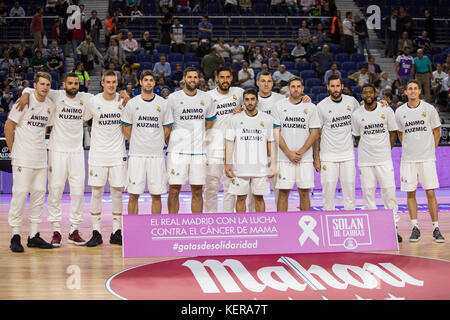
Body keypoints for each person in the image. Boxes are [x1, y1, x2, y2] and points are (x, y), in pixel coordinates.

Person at [16, 73, 113, 247]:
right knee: (56, 190)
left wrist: (123, 95)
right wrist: (25, 93)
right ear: (64, 84)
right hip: (57, 151)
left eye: (76, 83)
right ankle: (56, 230)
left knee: (77, 192)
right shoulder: (56, 95)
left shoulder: (86, 98)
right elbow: (34, 88)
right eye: (70, 83)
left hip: (76, 152)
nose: (73, 85)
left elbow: (106, 95)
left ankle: (74, 230)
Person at [4, 72, 54, 252]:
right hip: (22, 158)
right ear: (35, 85)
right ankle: (15, 235)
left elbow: (47, 127)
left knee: (39, 195)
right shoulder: (23, 102)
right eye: (42, 84)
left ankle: (33, 235)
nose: (45, 87)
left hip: (40, 158)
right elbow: (9, 127)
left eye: (48, 84)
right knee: (19, 195)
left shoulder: (49, 105)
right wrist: (14, 152)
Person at [395, 80, 445, 243]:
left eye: (415, 88)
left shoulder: (429, 109)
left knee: (430, 192)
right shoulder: (400, 111)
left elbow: (436, 131)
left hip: (426, 158)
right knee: (411, 193)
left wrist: (431, 150)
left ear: (419, 91)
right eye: (410, 89)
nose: (413, 91)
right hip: (408, 159)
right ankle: (415, 227)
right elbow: (400, 134)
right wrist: (410, 148)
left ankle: (436, 228)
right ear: (406, 92)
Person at [83, 70, 129, 247]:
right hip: (98, 155)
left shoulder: (123, 101)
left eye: (114, 82)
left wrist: (128, 97)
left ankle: (116, 232)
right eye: (108, 82)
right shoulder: (93, 102)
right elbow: (84, 119)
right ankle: (96, 232)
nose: (111, 85)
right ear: (102, 83)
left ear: (117, 83)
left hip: (118, 154)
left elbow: (134, 113)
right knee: (96, 192)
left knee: (117, 192)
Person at [352, 83, 402, 242]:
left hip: (384, 158)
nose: (368, 94)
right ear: (362, 95)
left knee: (389, 193)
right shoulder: (356, 114)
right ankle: (372, 227)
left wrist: (387, 149)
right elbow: (357, 137)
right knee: (368, 194)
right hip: (365, 160)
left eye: (370, 91)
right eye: (365, 92)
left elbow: (393, 132)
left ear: (375, 94)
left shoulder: (386, 111)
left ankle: (393, 227)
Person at [166, 67, 216, 214]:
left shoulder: (206, 98)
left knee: (197, 189)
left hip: (198, 152)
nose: (192, 80)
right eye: (190, 77)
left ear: (199, 79)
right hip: (177, 152)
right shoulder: (173, 98)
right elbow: (167, 123)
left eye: (195, 77)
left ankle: (197, 223)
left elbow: (209, 122)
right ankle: (172, 223)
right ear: (184, 78)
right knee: (174, 189)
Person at [122, 70, 173, 215]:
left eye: (151, 80)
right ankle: (133, 229)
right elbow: (126, 125)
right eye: (146, 80)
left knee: (156, 194)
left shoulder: (162, 103)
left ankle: (155, 226)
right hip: (137, 154)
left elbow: (167, 125)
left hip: (156, 154)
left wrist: (158, 141)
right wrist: (135, 141)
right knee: (133, 194)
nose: (149, 82)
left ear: (154, 83)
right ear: (140, 82)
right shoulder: (132, 103)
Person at [225, 88, 276, 213]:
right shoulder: (234, 119)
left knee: (259, 198)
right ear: (243, 102)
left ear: (257, 101)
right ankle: (241, 226)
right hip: (240, 167)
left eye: (252, 99)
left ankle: (260, 224)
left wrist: (273, 164)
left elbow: (271, 142)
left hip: (260, 167)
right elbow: (230, 142)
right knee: (240, 198)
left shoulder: (267, 119)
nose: (250, 102)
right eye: (247, 100)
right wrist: (227, 163)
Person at [273, 77, 320, 212]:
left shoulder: (310, 107)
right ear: (288, 88)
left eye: (298, 86)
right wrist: (288, 152)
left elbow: (314, 132)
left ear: (303, 89)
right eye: (293, 86)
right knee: (283, 192)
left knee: (304, 192)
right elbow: (276, 132)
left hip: (304, 158)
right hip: (284, 157)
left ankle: (305, 221)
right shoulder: (280, 106)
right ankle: (282, 224)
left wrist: (302, 151)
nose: (296, 89)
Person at [314, 75, 360, 211]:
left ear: (342, 86)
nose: (335, 89)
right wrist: (316, 157)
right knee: (327, 195)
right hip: (328, 156)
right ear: (328, 87)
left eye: (337, 86)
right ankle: (328, 222)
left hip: (348, 155)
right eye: (332, 86)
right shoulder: (321, 106)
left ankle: (350, 221)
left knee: (350, 193)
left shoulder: (352, 102)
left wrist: (382, 103)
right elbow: (316, 134)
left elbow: (363, 116)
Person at [204, 67, 244, 213]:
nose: (225, 80)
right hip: (212, 147)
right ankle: (210, 218)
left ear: (231, 78)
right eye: (222, 77)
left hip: (233, 148)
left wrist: (243, 111)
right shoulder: (208, 96)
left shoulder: (239, 93)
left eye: (228, 77)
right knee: (211, 187)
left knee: (231, 186)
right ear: (216, 79)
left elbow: (254, 104)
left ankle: (228, 217)